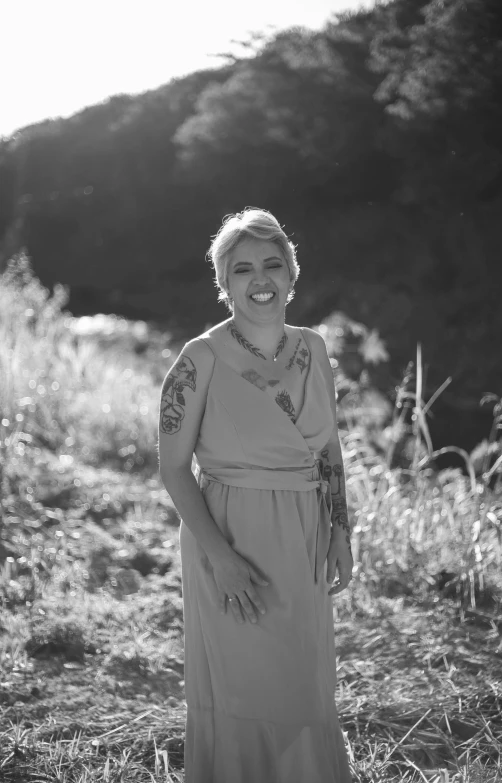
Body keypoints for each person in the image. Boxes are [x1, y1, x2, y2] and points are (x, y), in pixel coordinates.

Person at [158, 208, 354, 783]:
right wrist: (221, 559)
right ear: (224, 283)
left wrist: (342, 530)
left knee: (304, 682)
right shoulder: (200, 359)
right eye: (243, 268)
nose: (260, 278)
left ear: (292, 274)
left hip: (306, 530)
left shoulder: (314, 348)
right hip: (233, 536)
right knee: (247, 686)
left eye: (273, 263)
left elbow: (330, 451)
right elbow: (173, 469)